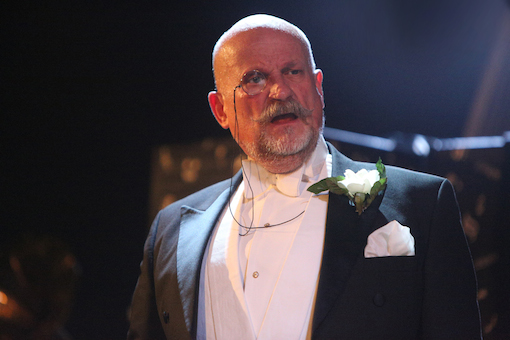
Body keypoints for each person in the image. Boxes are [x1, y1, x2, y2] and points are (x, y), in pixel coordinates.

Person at [127, 14, 481, 339]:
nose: (280, 91)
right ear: (220, 109)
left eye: (293, 72)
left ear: (318, 88)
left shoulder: (421, 205)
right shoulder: (170, 231)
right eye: (255, 79)